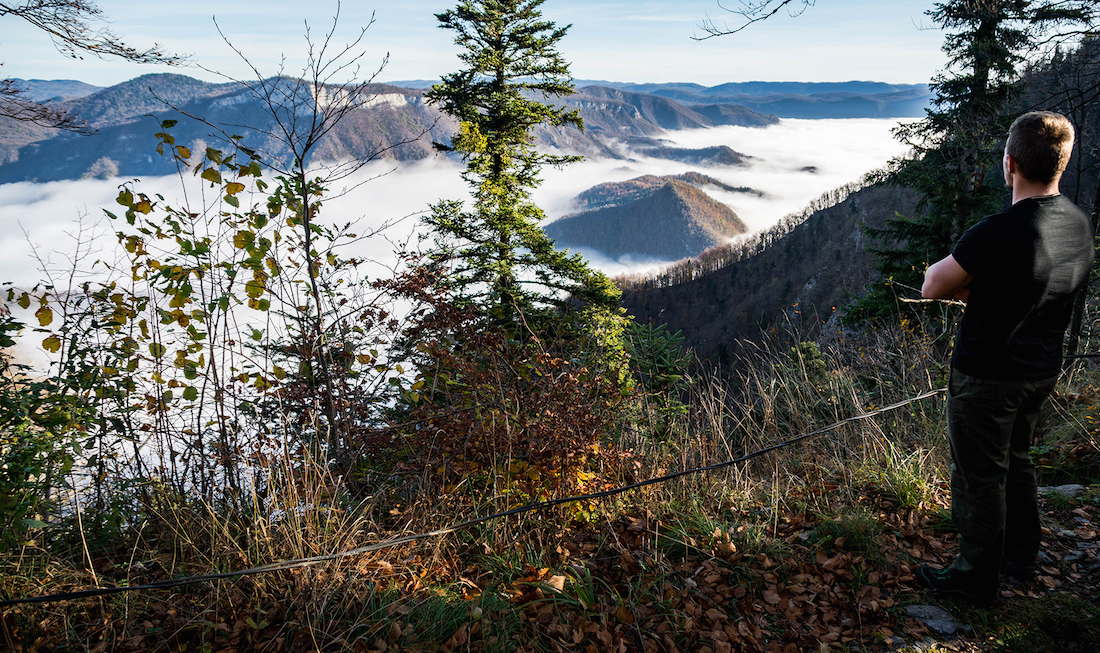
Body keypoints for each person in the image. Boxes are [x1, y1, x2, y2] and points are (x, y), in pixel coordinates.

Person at [918, 111, 1094, 607]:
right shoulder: (1078, 224)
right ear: (1061, 162)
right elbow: (1038, 284)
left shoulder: (996, 231)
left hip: (987, 374)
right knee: (1017, 461)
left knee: (980, 476)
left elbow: (933, 285)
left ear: (1009, 163)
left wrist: (974, 284)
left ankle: (974, 578)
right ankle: (1020, 556)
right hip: (1040, 370)